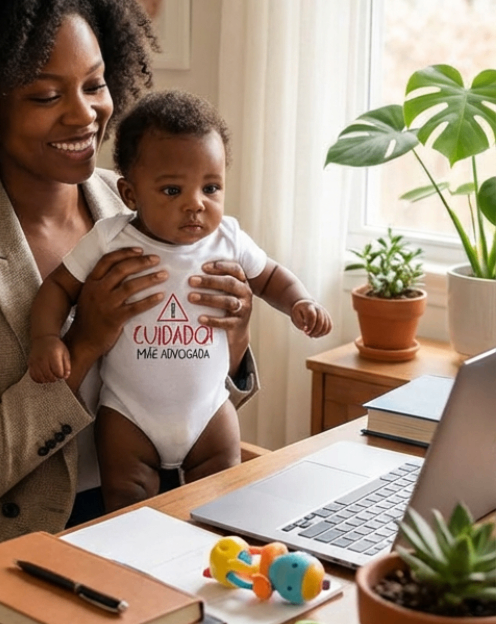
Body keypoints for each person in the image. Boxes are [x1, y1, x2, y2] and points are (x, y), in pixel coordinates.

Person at [0, 0, 259, 573]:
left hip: (154, 511)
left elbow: (186, 401)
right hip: (20, 551)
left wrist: (235, 344)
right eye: (46, 95)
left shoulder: (140, 204)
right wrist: (83, 346)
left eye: (95, 85)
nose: (85, 115)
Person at [29, 89, 333, 511]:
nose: (196, 205)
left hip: (209, 408)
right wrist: (46, 338)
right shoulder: (111, 238)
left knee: (222, 497)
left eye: (211, 187)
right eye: (172, 191)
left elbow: (271, 277)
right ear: (130, 195)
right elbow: (58, 287)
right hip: (128, 413)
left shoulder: (228, 238)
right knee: (126, 504)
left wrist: (300, 301)